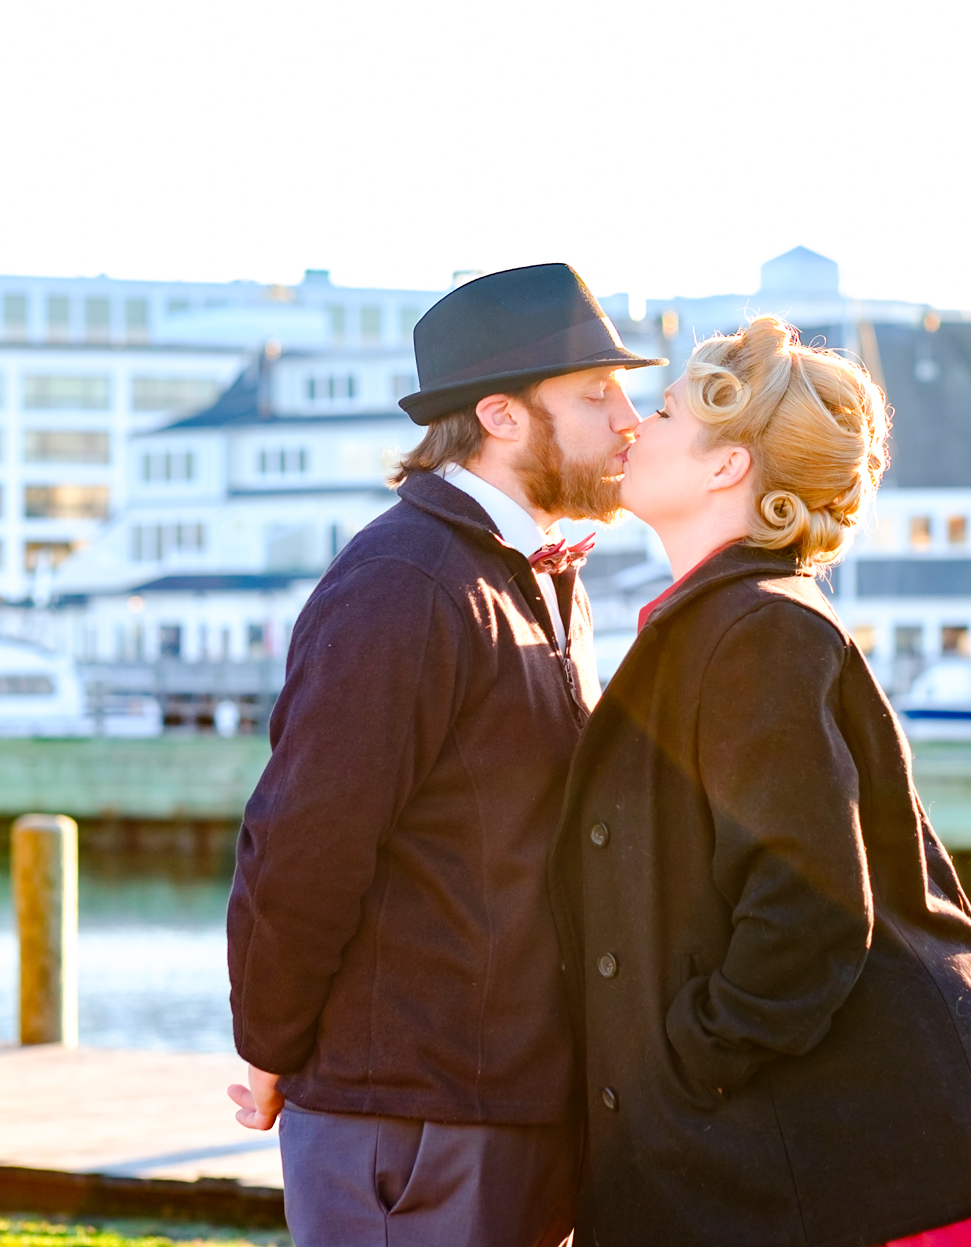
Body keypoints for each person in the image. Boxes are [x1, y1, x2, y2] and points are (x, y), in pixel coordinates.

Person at [554, 316, 971, 1247]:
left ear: (727, 466)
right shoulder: (734, 618)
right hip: (872, 1150)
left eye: (658, 412)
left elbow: (809, 907)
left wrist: (689, 1058)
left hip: (879, 1166)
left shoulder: (757, 628)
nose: (629, 428)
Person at [226, 263, 664, 1247]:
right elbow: (302, 840)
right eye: (596, 393)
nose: (629, 418)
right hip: (414, 1116)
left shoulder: (534, 575)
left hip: (507, 1103)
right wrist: (267, 1044)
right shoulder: (402, 583)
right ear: (503, 417)